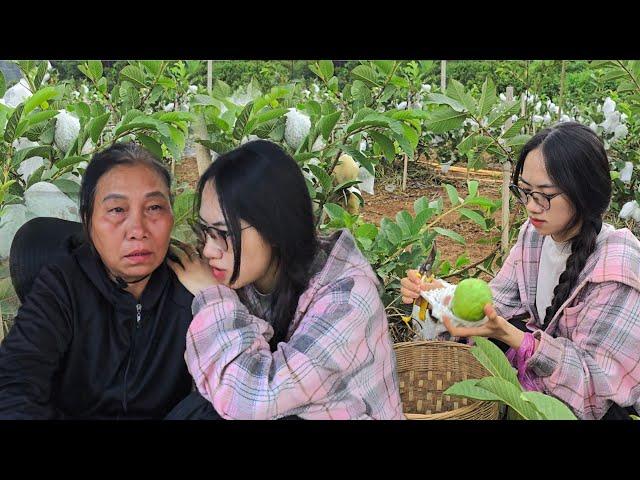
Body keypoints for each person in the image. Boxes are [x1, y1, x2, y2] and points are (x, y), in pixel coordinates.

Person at [400, 122, 640, 420]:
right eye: (525, 191)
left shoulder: (617, 267)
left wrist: (518, 339)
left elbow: (596, 388)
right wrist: (438, 296)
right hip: (539, 393)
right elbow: (496, 303)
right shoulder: (534, 236)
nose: (531, 207)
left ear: (584, 193)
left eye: (544, 195)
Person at [167, 140, 404, 420]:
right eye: (205, 230)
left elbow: (252, 400)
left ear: (275, 227)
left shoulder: (349, 297)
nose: (208, 249)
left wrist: (213, 298)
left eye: (224, 232)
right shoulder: (246, 276)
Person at [0, 142, 194, 419]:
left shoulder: (193, 289)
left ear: (172, 216)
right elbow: (16, 381)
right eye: (117, 210)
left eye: (154, 207)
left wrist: (215, 298)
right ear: (88, 221)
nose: (137, 230)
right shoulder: (62, 284)